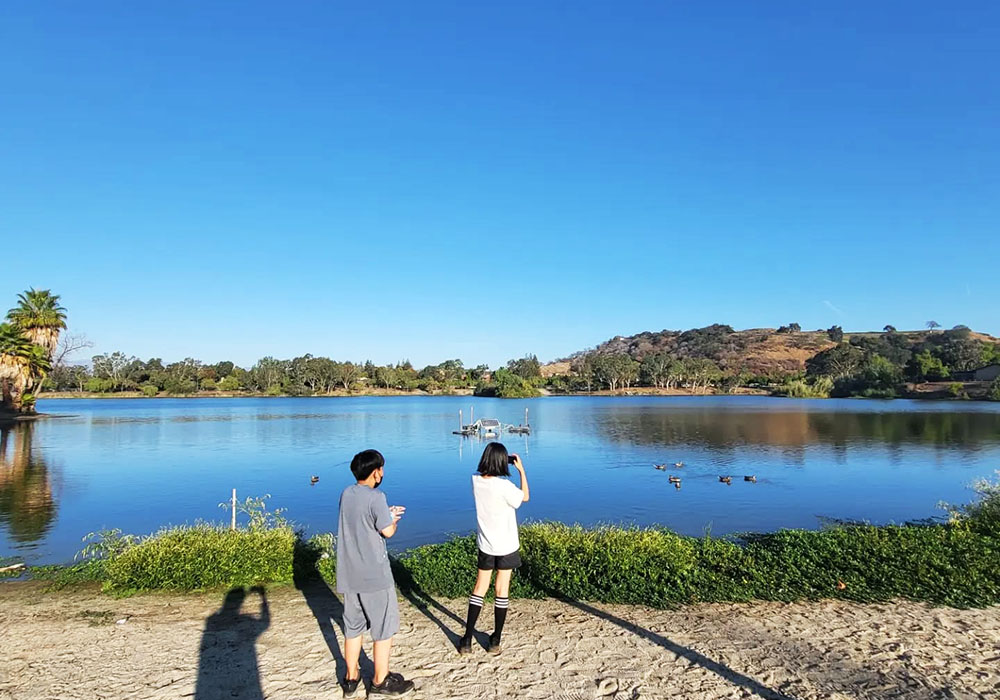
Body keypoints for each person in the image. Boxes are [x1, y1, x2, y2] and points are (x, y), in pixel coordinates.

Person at [336, 449, 415, 698]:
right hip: (374, 575)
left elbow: (361, 519)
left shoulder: (347, 493)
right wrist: (392, 519)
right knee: (382, 627)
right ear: (375, 472)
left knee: (353, 626)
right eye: (381, 468)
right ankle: (380, 680)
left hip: (348, 573)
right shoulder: (377, 496)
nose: (382, 472)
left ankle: (351, 678)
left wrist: (384, 514)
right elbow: (387, 532)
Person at [457, 442, 530, 656]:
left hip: (486, 544)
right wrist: (521, 470)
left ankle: (467, 639)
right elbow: (525, 497)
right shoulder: (505, 486)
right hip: (507, 544)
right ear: (502, 462)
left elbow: (483, 474)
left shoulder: (476, 481)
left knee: (480, 588)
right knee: (502, 590)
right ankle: (495, 640)